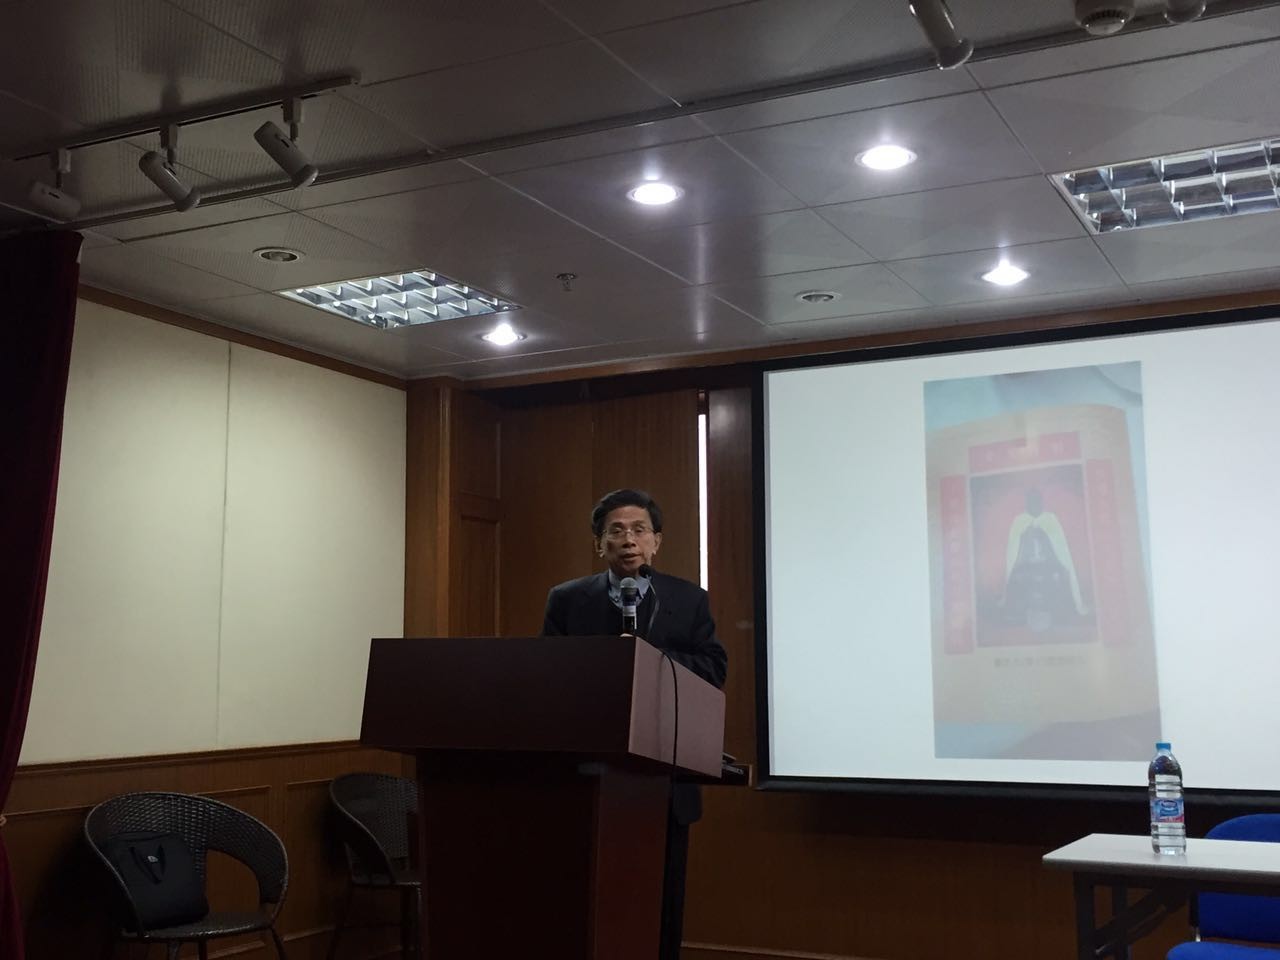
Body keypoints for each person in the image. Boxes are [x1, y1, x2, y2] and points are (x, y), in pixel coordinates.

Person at [542, 488, 727, 960]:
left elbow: (713, 669)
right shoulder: (567, 600)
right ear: (599, 543)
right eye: (617, 531)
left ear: (656, 542)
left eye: (640, 530)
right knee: (588, 902)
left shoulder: (688, 600)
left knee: (661, 903)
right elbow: (547, 673)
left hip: (666, 779)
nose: (629, 540)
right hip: (588, 776)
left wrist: (649, 660)